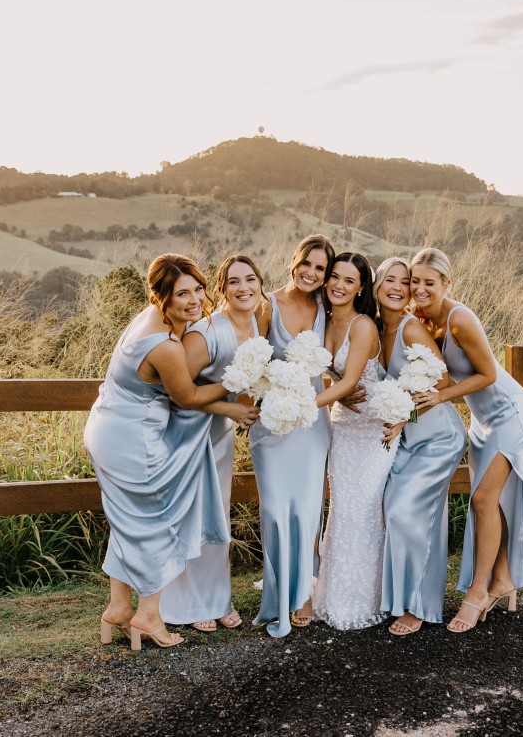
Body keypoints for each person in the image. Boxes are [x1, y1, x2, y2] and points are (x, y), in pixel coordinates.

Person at [84, 254, 241, 650]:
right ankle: (149, 615)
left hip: (107, 428)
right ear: (161, 297)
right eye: (181, 293)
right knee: (161, 518)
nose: (194, 300)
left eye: (198, 289)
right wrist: (237, 380)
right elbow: (187, 398)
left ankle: (118, 609)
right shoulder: (167, 345)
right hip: (133, 438)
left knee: (130, 520)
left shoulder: (146, 318)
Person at [407, 248, 523, 634]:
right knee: (495, 501)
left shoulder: (460, 319)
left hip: (510, 411)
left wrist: (438, 397)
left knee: (483, 498)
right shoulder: (421, 321)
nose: (420, 288)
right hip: (483, 420)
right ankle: (503, 579)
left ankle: (477, 593)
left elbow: (486, 375)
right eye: (415, 281)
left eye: (429, 283)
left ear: (446, 284)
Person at [159, 255, 268, 632]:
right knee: (190, 516)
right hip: (189, 431)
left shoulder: (259, 322)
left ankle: (218, 598)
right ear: (221, 290)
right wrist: (231, 407)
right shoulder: (205, 333)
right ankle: (185, 604)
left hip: (219, 431)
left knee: (216, 513)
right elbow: (179, 394)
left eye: (250, 279)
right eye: (234, 282)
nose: (244, 288)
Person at [368, 257, 467, 636]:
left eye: (405, 282)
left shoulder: (411, 330)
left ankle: (419, 606)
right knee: (396, 511)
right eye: (389, 280)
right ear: (376, 287)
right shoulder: (376, 329)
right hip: (407, 439)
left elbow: (441, 382)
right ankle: (401, 600)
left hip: (438, 437)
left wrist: (402, 416)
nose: (398, 287)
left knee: (408, 513)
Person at [251, 234, 335, 638]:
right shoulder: (266, 304)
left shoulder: (327, 308)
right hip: (273, 424)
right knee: (275, 512)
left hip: (313, 423)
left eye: (320, 268)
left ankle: (304, 594)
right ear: (293, 262)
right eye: (308, 264)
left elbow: (338, 356)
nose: (312, 274)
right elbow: (250, 359)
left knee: (307, 509)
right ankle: (277, 595)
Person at [310, 252, 393, 630]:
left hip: (372, 428)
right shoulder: (322, 320)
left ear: (361, 288)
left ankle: (366, 599)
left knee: (363, 509)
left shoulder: (363, 326)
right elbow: (337, 384)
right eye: (335, 278)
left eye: (349, 281)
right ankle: (332, 596)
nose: (339, 286)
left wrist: (301, 404)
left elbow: (348, 380)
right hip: (342, 425)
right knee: (342, 508)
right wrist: (334, 395)